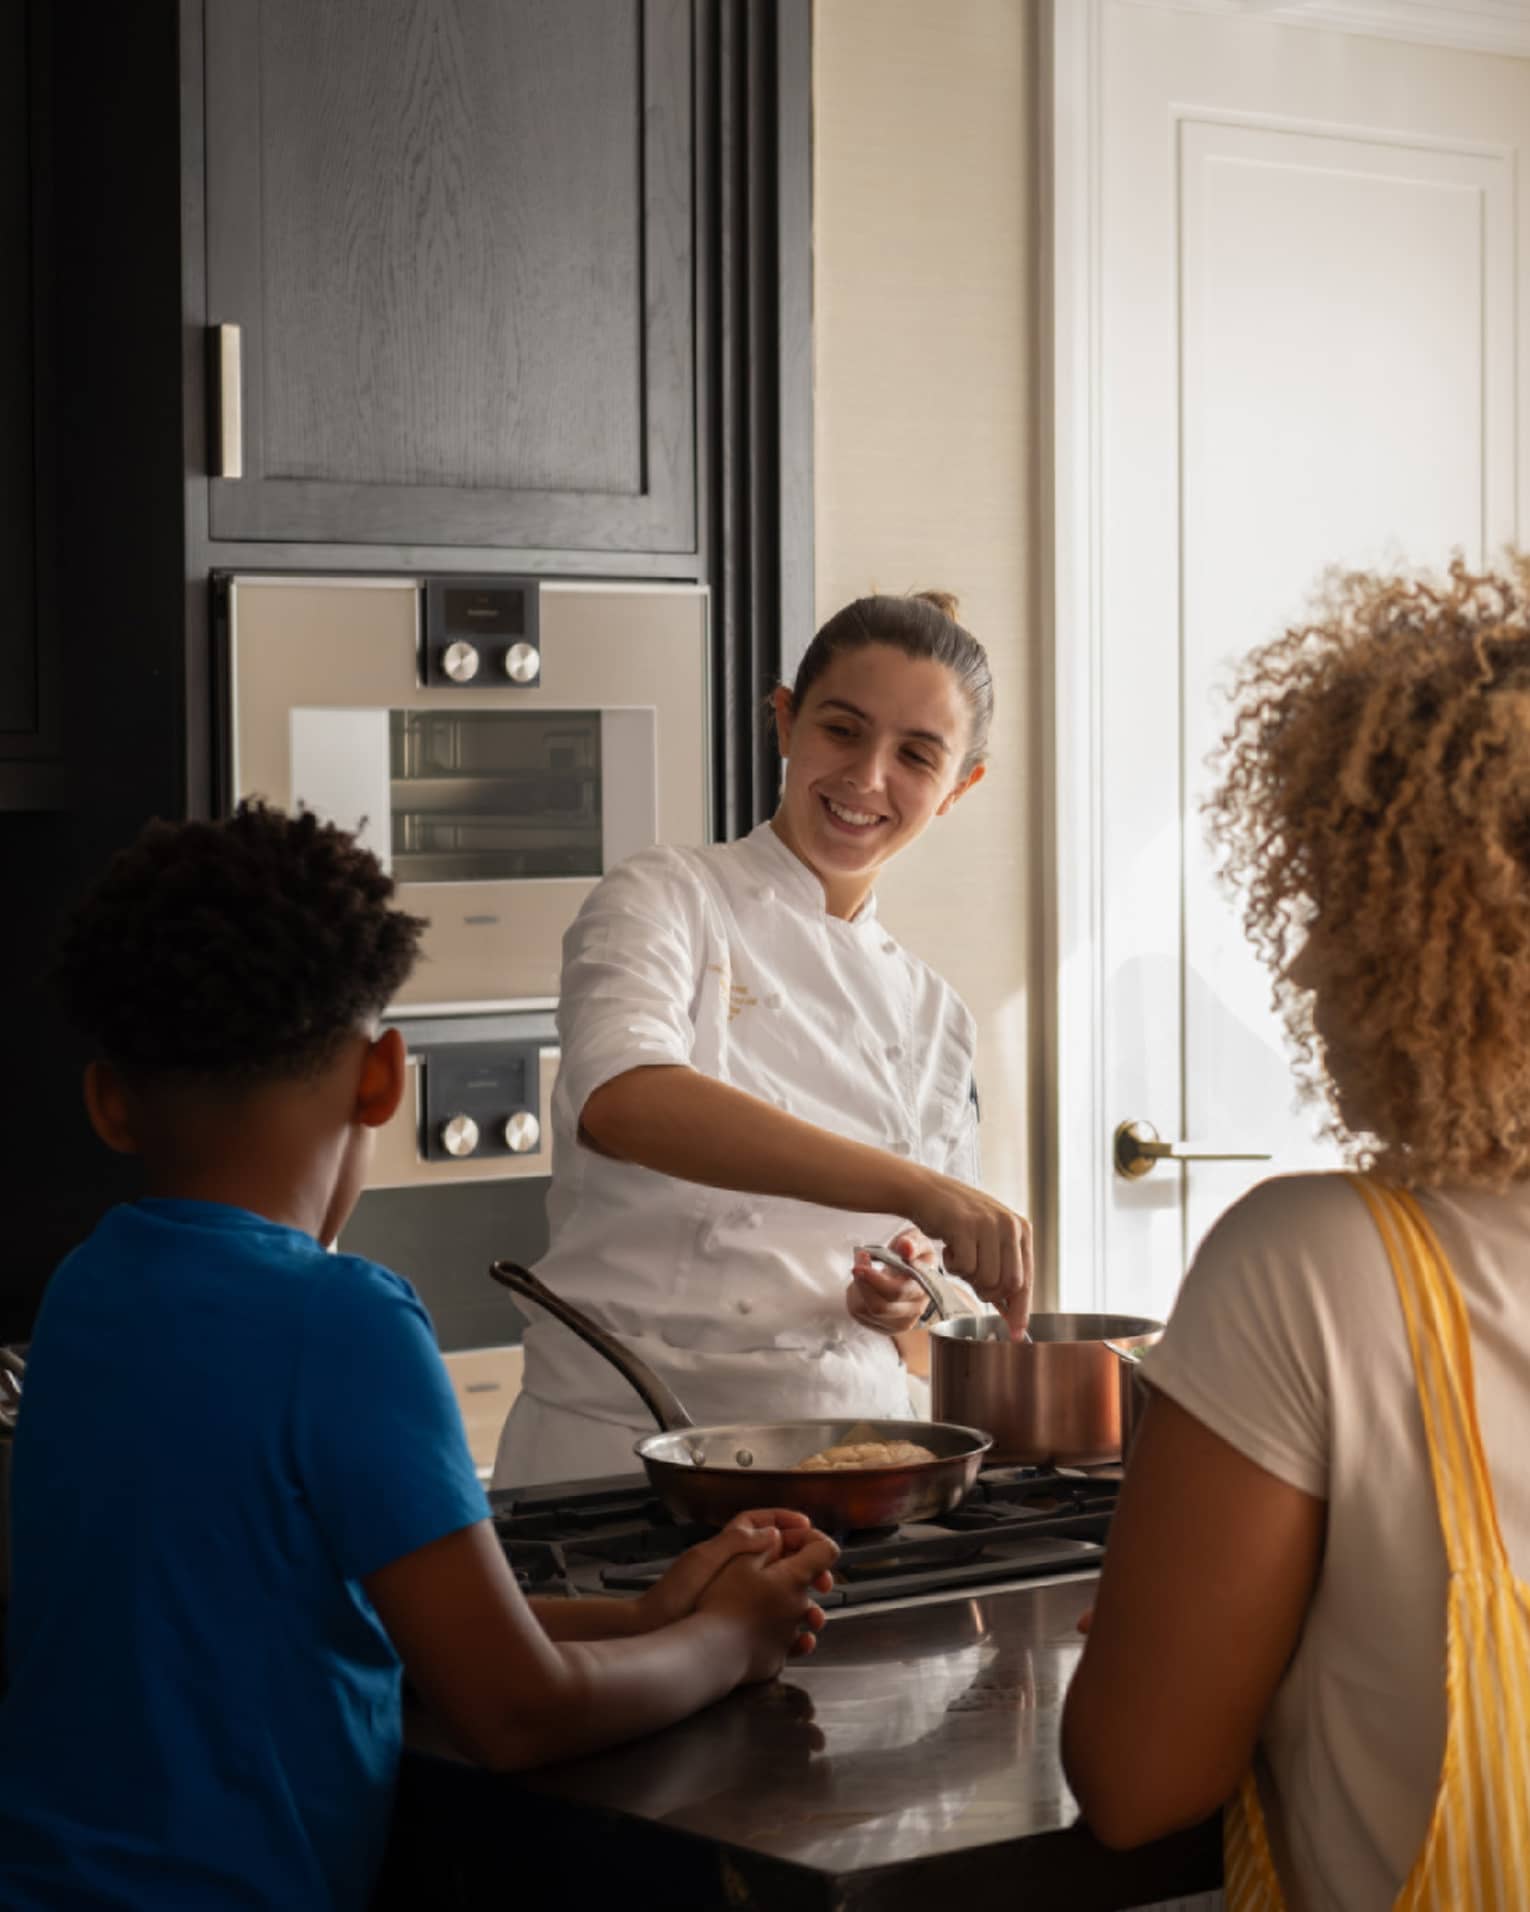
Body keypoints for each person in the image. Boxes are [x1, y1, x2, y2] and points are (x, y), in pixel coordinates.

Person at [0, 803, 837, 1912]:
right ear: (384, 1078)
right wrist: (726, 1643)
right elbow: (513, 1710)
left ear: (108, 1101)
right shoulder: (342, 1321)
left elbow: (328, 1611)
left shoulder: (86, 1292)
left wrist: (649, 1618)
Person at [1062, 559, 1530, 1910]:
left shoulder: (1317, 1261)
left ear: (1422, 938)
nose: (1307, 958)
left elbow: (1139, 1782)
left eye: (1334, 900)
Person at [494, 589, 1033, 1487]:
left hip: (853, 1457)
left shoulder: (934, 1013)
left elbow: (927, 1338)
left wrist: (903, 1302)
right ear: (785, 722)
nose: (867, 778)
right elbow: (624, 1100)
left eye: (915, 755)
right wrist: (920, 1188)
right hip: (625, 1453)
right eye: (842, 730)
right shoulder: (666, 896)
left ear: (959, 789)